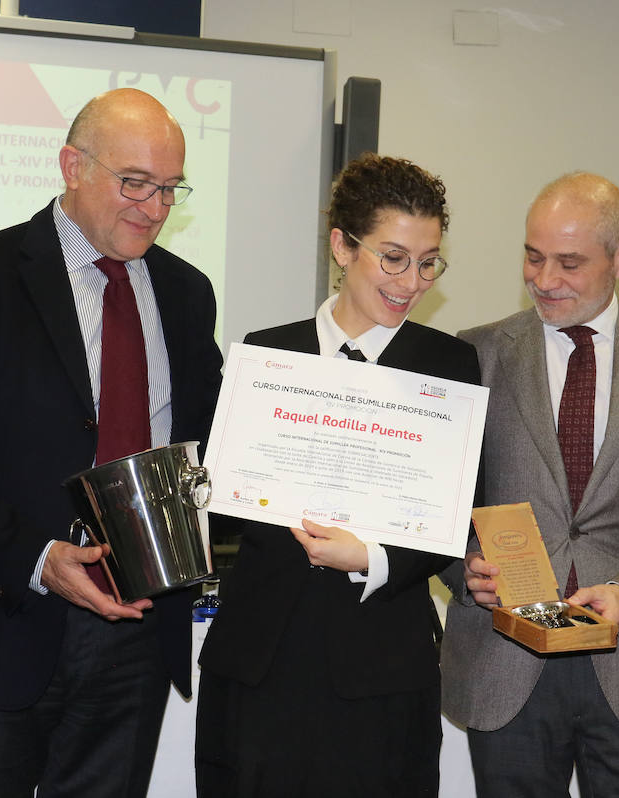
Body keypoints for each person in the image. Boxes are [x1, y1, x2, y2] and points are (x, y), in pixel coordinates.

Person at [0, 88, 222, 797]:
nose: (155, 208)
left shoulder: (188, 295)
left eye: (170, 189)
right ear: (72, 166)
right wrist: (37, 559)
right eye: (135, 183)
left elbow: (212, 445)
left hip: (134, 638)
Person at [195, 154, 480, 797]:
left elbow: (455, 513)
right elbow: (225, 504)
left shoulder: (450, 366)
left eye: (428, 260)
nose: (412, 281)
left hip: (381, 668)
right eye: (393, 257)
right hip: (258, 662)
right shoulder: (267, 353)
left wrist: (372, 557)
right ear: (342, 246)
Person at [442, 171, 619, 797]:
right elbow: (438, 502)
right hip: (506, 663)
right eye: (533, 257)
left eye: (569, 263)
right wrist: (463, 566)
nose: (544, 280)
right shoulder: (475, 355)